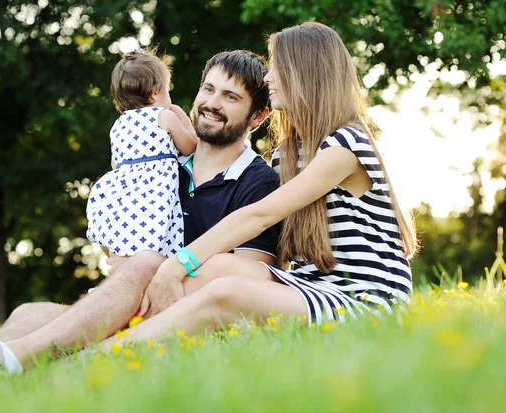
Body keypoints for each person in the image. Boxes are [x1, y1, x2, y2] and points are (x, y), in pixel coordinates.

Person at [0, 50, 280, 380]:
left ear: (259, 116)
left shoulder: (258, 182)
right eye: (208, 89)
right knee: (29, 314)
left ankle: (1, 363)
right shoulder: (161, 167)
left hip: (185, 317)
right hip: (132, 308)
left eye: (230, 97)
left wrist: (158, 276)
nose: (211, 104)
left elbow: (247, 280)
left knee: (145, 263)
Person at [91, 21, 418, 347]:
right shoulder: (288, 155)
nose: (268, 77)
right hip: (308, 284)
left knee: (225, 290)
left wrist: (177, 265)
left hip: (364, 296)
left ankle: (100, 352)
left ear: (304, 74)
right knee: (220, 266)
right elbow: (286, 252)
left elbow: (258, 216)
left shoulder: (346, 145)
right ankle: (100, 337)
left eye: (277, 68)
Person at [86, 48, 197, 259]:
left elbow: (115, 164)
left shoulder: (118, 125)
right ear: (155, 93)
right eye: (167, 90)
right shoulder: (164, 116)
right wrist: (183, 119)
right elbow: (190, 147)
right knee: (163, 238)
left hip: (127, 198)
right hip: (157, 195)